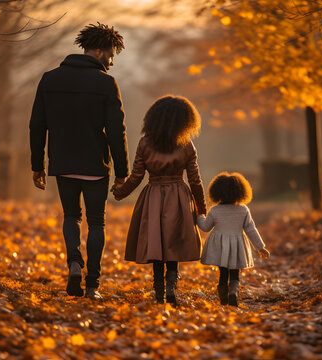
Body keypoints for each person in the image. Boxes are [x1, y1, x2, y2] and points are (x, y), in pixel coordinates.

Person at [29, 23, 129, 300]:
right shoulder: (106, 84)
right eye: (111, 55)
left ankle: (74, 262)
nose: (111, 61)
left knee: (71, 216)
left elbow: (37, 125)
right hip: (95, 165)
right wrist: (123, 172)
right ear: (98, 51)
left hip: (63, 164)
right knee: (97, 223)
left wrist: (38, 165)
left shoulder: (49, 79)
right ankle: (92, 285)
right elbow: (116, 130)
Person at [111, 95, 207, 305]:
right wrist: (201, 208)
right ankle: (172, 284)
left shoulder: (145, 143)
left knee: (156, 242)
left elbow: (136, 176)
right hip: (179, 197)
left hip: (153, 196)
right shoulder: (187, 145)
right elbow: (195, 180)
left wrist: (120, 192)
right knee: (172, 243)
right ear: (185, 120)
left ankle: (159, 290)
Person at [196, 172, 270, 307]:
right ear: (241, 191)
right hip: (237, 245)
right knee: (235, 273)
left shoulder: (215, 210)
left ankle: (223, 299)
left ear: (216, 192)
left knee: (223, 273)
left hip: (219, 247)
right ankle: (233, 294)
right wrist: (260, 247)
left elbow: (205, 227)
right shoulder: (243, 210)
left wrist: (199, 216)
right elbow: (250, 229)